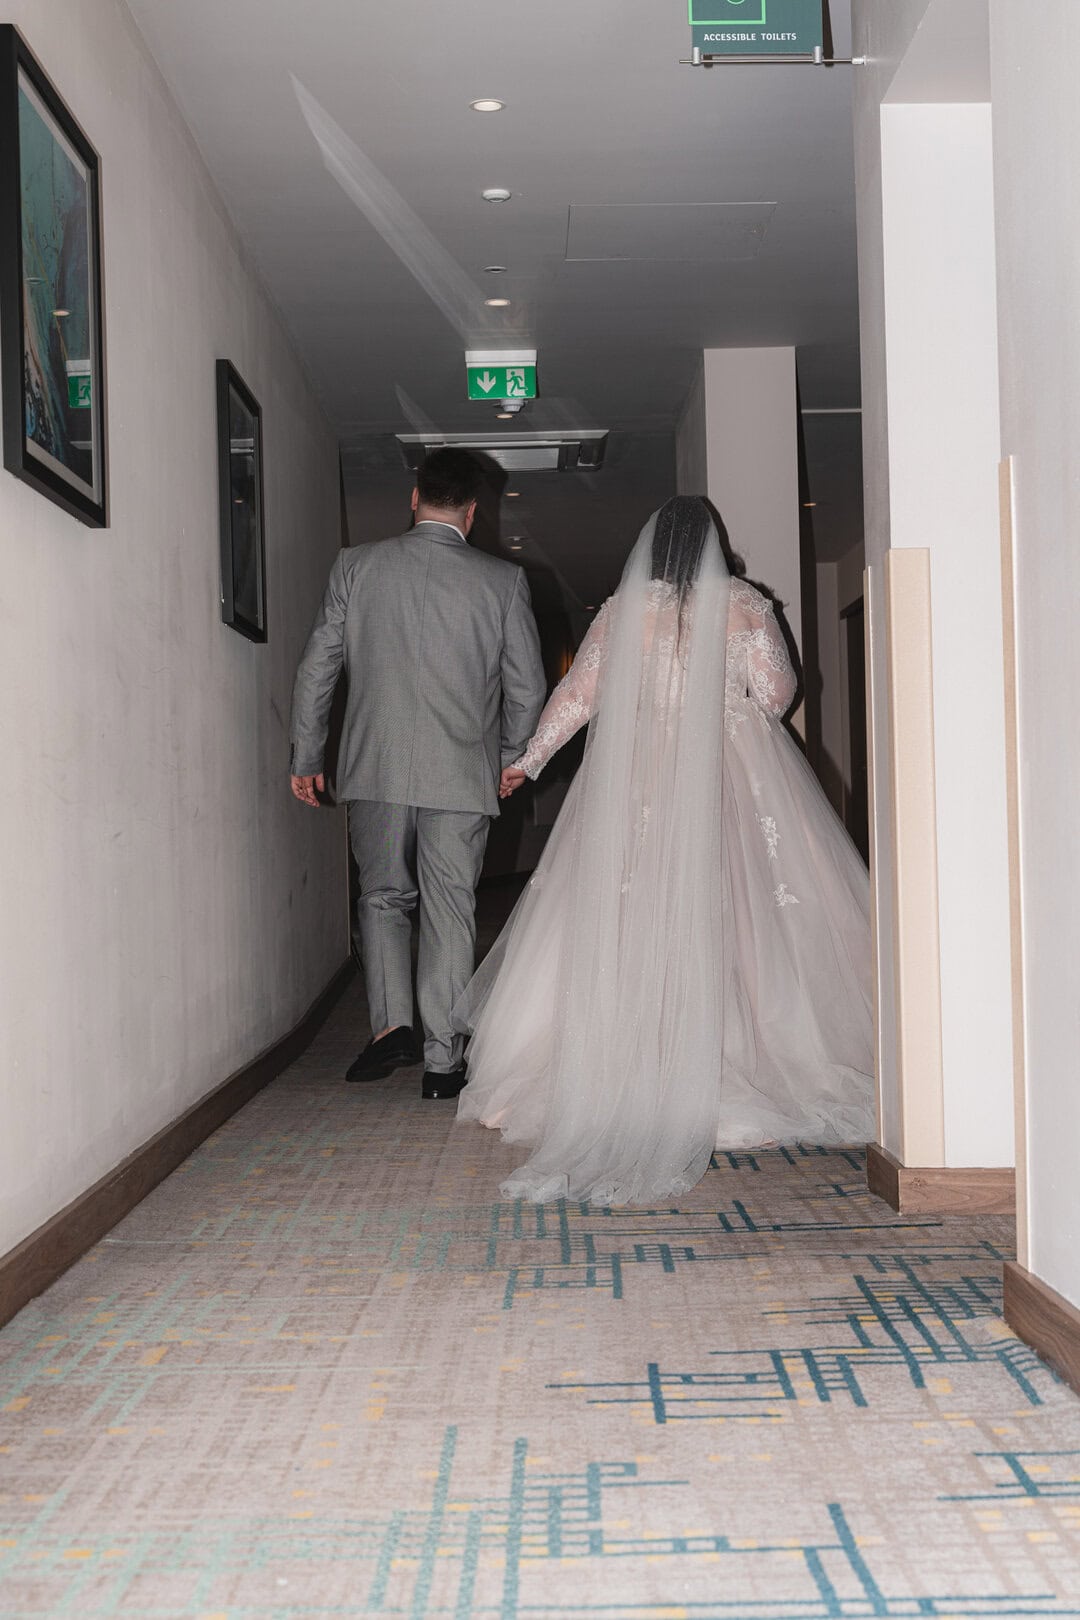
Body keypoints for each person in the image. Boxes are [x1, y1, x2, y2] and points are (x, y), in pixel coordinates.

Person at [455, 496, 875, 1204]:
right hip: (729, 764)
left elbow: (578, 696)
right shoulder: (747, 603)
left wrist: (528, 759)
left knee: (637, 911)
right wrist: (733, 713)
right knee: (743, 915)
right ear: (715, 545)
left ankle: (626, 1064)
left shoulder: (624, 611)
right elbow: (779, 692)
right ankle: (741, 1059)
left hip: (643, 769)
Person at [289, 449, 546, 1099]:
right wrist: (513, 759)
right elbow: (527, 688)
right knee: (450, 908)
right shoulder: (502, 582)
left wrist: (306, 755)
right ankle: (441, 1060)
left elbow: (318, 668)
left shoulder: (357, 567)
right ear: (471, 511)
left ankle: (390, 1027)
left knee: (382, 899)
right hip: (462, 775)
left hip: (374, 769)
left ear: (414, 498)